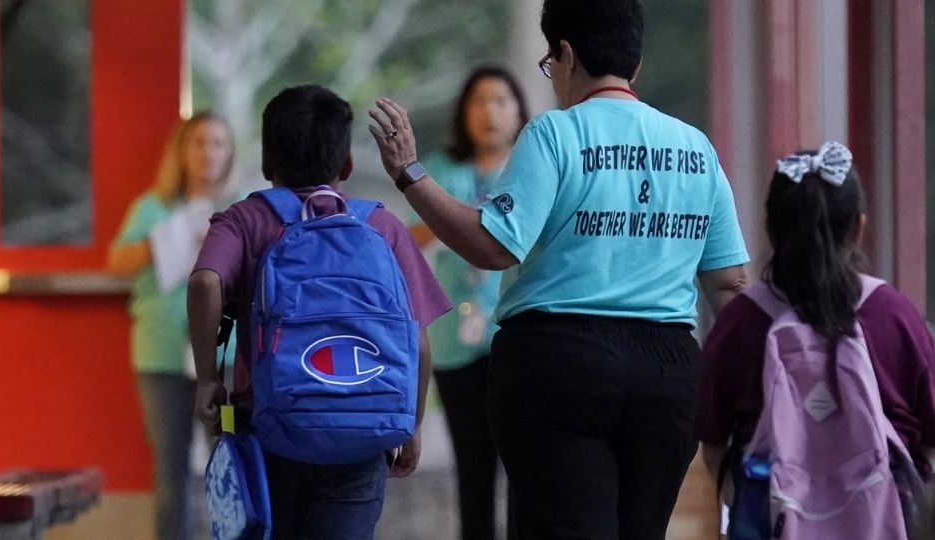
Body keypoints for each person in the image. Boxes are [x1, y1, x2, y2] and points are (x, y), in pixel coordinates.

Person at [367, 1, 750, 537]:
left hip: (561, 365)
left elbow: (492, 246)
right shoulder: (696, 149)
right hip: (667, 374)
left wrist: (410, 174)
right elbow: (730, 285)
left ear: (565, 54)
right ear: (634, 63)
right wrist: (739, 394)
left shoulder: (554, 135)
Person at [187, 85, 450, 540]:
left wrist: (209, 378)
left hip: (271, 429)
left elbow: (204, 282)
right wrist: (413, 422)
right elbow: (417, 338)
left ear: (267, 163)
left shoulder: (245, 219)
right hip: (362, 435)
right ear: (346, 164)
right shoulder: (381, 226)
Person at [693, 142, 935, 535]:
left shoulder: (742, 320)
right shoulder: (895, 316)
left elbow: (712, 443)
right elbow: (927, 436)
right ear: (858, 228)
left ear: (771, 228)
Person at [412, 65, 529, 540]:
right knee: (473, 466)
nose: (490, 112)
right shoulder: (438, 172)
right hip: (455, 343)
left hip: (518, 338)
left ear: (520, 111)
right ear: (463, 113)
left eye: (501, 100)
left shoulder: (531, 169)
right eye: (479, 101)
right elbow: (412, 238)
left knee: (525, 464)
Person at [107, 111, 235, 540]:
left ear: (229, 153)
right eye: (198, 142)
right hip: (161, 359)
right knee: (170, 470)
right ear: (181, 151)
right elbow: (117, 262)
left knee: (230, 460)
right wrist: (171, 237)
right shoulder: (153, 208)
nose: (207, 153)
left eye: (217, 143)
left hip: (226, 363)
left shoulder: (239, 210)